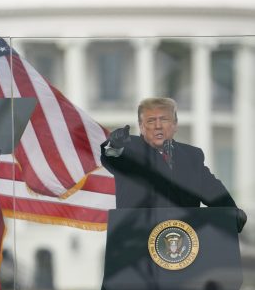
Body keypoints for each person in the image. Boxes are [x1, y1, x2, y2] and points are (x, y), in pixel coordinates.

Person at [101, 97, 247, 232]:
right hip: (137, 243)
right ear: (141, 126)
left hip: (183, 245)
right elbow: (112, 156)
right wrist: (115, 144)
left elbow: (212, 190)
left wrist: (231, 212)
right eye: (151, 121)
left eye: (164, 120)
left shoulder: (192, 156)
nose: (158, 126)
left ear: (175, 125)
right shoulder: (129, 149)